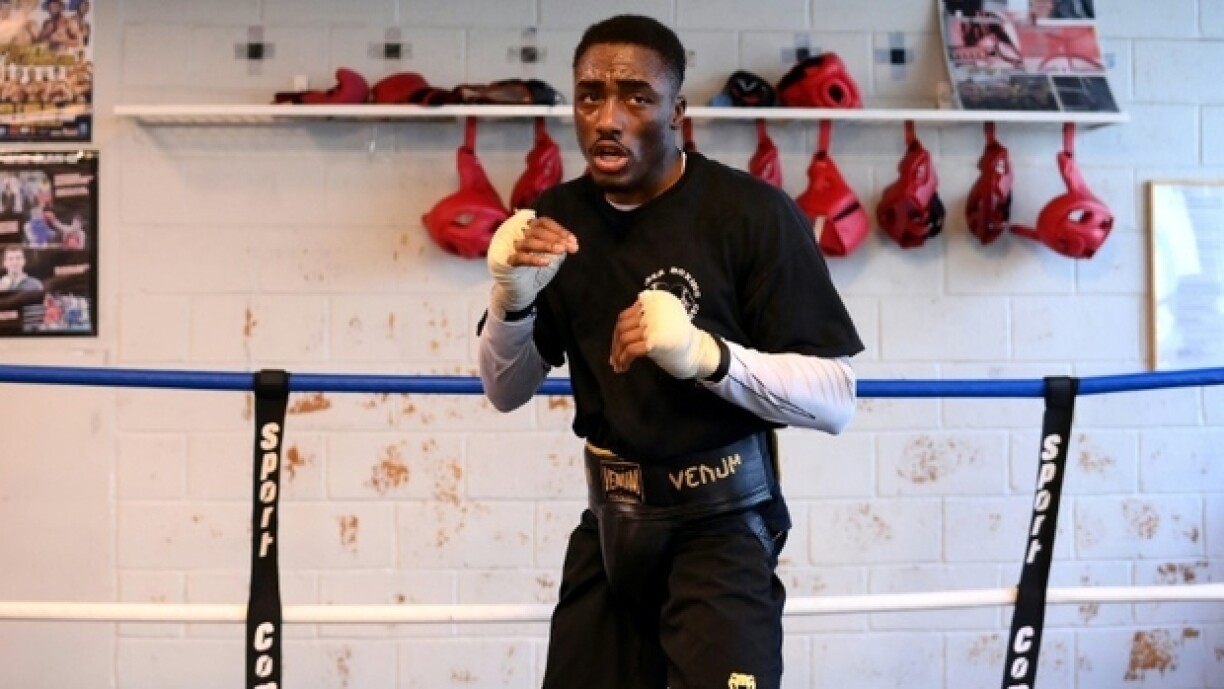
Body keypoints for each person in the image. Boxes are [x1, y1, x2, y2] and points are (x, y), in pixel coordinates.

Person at [477, 15, 863, 689]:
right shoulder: (557, 217)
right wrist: (511, 302)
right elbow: (505, 390)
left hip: (721, 530)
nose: (608, 117)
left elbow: (836, 398)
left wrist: (708, 355)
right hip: (609, 524)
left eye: (636, 96)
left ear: (677, 111)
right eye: (591, 95)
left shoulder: (751, 214)